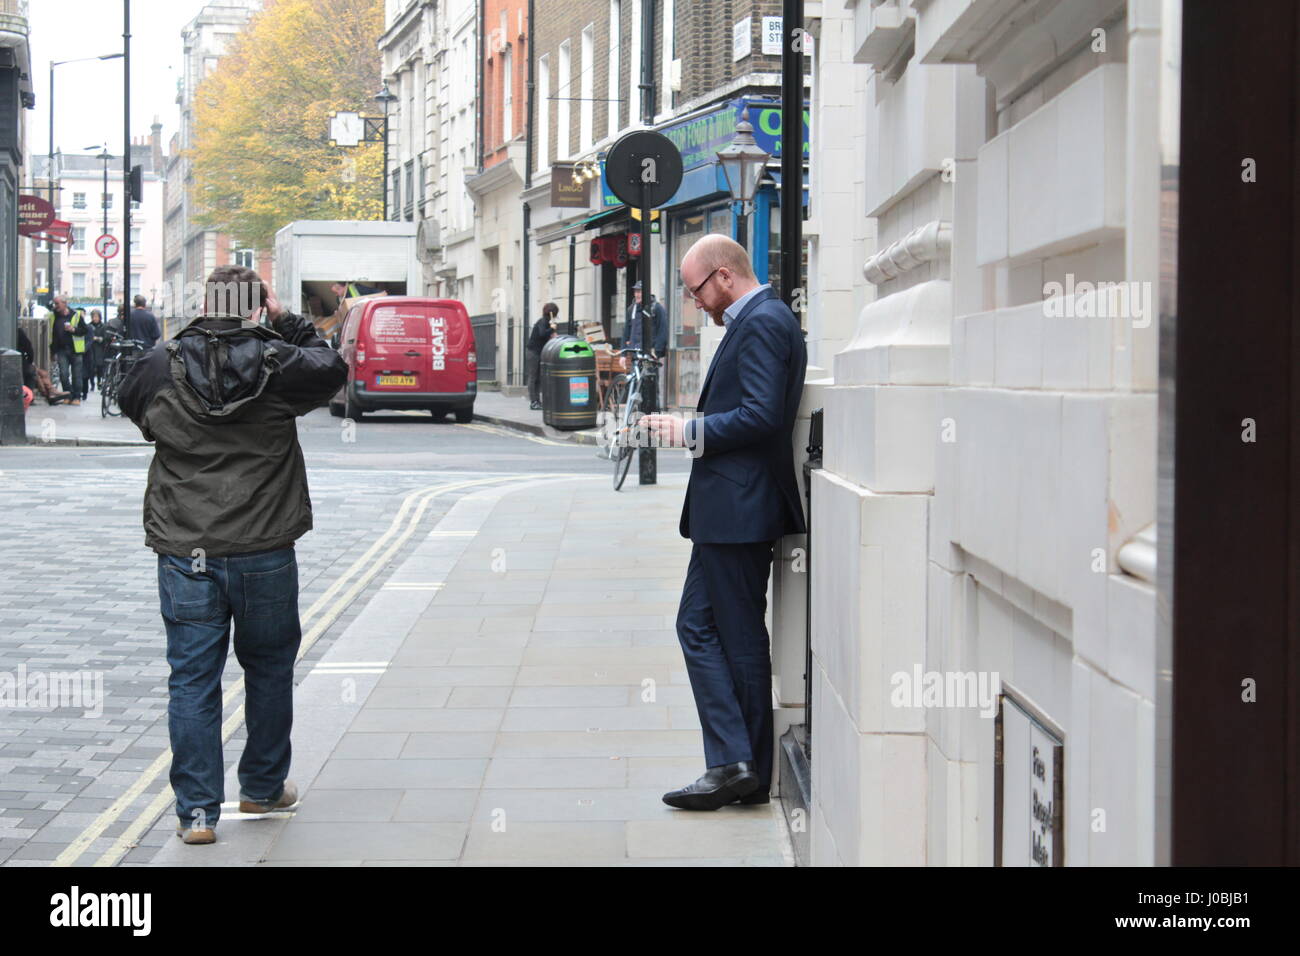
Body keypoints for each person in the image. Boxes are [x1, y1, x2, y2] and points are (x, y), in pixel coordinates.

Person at [118, 264, 348, 845]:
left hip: (185, 546)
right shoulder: (282, 362)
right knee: (268, 668)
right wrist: (286, 321)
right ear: (255, 305)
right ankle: (263, 787)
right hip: (264, 545)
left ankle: (197, 812)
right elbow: (333, 367)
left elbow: (133, 406)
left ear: (204, 299)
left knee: (192, 677)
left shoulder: (160, 361)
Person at [643, 234, 807, 811]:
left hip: (741, 509)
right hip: (730, 510)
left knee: (735, 639)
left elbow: (762, 415)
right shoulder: (760, 319)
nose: (697, 305)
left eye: (697, 292)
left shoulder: (762, 321)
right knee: (703, 628)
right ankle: (738, 764)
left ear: (724, 276)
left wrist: (689, 432)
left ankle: (741, 767)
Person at [47, 296, 88, 405]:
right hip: (61, 350)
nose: (56, 306)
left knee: (76, 375)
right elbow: (52, 334)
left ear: (64, 303)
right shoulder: (53, 316)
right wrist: (52, 352)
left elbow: (85, 330)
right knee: (64, 374)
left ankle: (76, 397)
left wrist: (73, 329)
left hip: (75, 350)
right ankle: (68, 394)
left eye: (57, 304)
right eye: (55, 304)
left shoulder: (76, 315)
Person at [16, 326, 70, 405]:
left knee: (41, 373)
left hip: (22, 362)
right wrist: (30, 361)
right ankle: (50, 394)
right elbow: (28, 347)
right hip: (21, 362)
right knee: (34, 372)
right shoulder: (18, 331)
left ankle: (50, 393)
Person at [622, 280, 668, 357]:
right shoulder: (631, 309)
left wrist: (657, 351)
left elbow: (663, 331)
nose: (637, 295)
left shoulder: (657, 308)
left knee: (648, 368)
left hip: (650, 353)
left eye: (640, 292)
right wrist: (623, 355)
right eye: (636, 292)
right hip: (635, 353)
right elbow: (626, 332)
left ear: (647, 293)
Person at [527, 302, 559, 410]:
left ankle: (537, 400)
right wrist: (551, 329)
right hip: (533, 352)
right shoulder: (543, 321)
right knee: (533, 377)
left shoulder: (547, 322)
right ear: (552, 313)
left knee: (538, 378)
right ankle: (533, 401)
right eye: (555, 314)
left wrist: (552, 331)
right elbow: (541, 334)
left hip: (538, 352)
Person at [82, 309, 107, 397]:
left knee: (100, 366)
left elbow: (105, 338)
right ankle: (92, 384)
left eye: (97, 317)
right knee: (91, 368)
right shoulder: (88, 326)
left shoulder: (103, 326)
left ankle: (99, 382)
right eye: (94, 317)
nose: (95, 318)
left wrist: (98, 339)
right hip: (91, 348)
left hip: (99, 349)